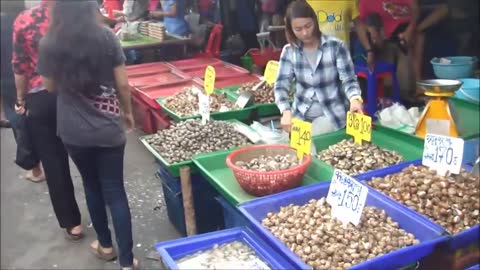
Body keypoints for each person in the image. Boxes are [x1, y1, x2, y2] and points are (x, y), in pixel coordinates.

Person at [37, 1, 136, 269]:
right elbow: (123, 84)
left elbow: (48, 86)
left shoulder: (50, 42)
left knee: (91, 186)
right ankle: (127, 262)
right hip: (108, 128)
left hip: (73, 131)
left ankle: (105, 246)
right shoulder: (106, 37)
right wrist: (127, 113)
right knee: (115, 191)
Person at [12, 0, 82, 237]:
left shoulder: (25, 20)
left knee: (53, 161)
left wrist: (21, 99)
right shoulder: (79, 14)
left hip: (41, 95)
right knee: (91, 155)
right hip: (80, 93)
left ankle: (73, 224)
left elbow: (20, 67)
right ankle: (105, 206)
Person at [275, 0, 363, 134]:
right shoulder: (289, 51)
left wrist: (355, 99)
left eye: (308, 26)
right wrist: (286, 111)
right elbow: (281, 85)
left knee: (317, 142)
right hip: (300, 117)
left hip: (332, 117)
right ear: (291, 30)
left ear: (315, 21)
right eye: (298, 29)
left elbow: (349, 79)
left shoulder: (336, 46)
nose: (305, 33)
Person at [359, 0, 425, 98]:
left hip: (405, 31)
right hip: (384, 37)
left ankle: (418, 85)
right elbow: (360, 22)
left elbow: (415, 8)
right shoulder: (366, 2)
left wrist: (411, 28)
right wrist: (374, 33)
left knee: (418, 36)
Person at [306, 0, 375, 70]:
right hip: (316, 58)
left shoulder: (349, 1)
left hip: (343, 58)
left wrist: (369, 50)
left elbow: (358, 25)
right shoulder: (308, 2)